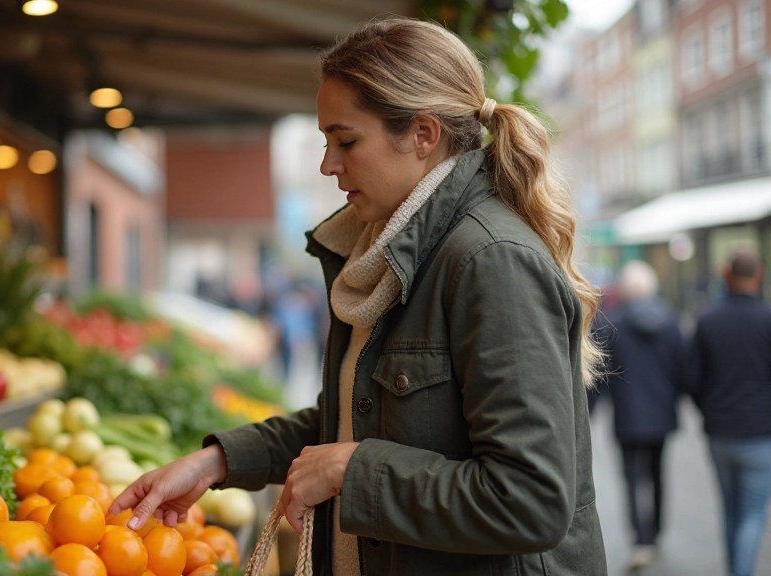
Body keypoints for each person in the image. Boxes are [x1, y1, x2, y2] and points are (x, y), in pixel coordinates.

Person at [111, 17, 607, 575]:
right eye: (326, 142)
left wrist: (352, 471)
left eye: (346, 141)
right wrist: (217, 462)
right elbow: (356, 419)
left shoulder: (489, 261)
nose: (328, 165)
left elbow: (531, 500)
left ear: (423, 135)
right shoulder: (384, 253)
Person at [686, 250, 771, 576]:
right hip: (760, 432)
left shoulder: (708, 321)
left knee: (731, 509)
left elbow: (691, 379)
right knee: (752, 512)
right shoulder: (767, 320)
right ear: (759, 275)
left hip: (719, 431)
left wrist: (709, 408)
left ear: (726, 274)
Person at [593, 261, 683, 570]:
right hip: (662, 414)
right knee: (658, 474)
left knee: (631, 478)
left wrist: (590, 411)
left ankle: (640, 539)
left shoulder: (612, 323)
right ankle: (655, 533)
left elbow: (600, 375)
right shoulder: (671, 321)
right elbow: (682, 368)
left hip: (627, 416)